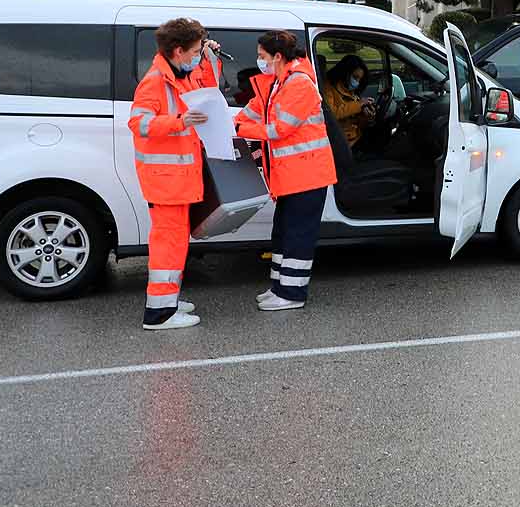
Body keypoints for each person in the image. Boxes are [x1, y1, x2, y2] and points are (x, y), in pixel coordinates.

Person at [128, 18, 222, 331]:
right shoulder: (156, 81)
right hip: (166, 181)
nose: (197, 56)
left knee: (176, 243)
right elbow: (139, 123)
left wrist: (209, 59)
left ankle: (168, 299)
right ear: (178, 51)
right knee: (168, 245)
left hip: (176, 180)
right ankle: (160, 313)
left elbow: (205, 87)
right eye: (195, 51)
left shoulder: (178, 74)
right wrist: (179, 121)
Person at [236, 30, 337, 311]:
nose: (259, 61)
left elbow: (279, 129)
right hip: (292, 176)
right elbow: (255, 111)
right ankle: (280, 285)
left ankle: (292, 293)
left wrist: (241, 129)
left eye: (262, 56)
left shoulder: (299, 84)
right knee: (282, 233)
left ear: (278, 56)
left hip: (307, 176)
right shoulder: (280, 82)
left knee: (298, 235)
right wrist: (231, 123)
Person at [323, 55, 378, 150]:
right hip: (343, 140)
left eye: (360, 79)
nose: (357, 82)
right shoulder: (328, 87)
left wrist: (367, 115)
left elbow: (353, 117)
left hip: (354, 135)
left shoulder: (349, 90)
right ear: (345, 73)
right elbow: (331, 114)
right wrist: (359, 104)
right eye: (355, 77)